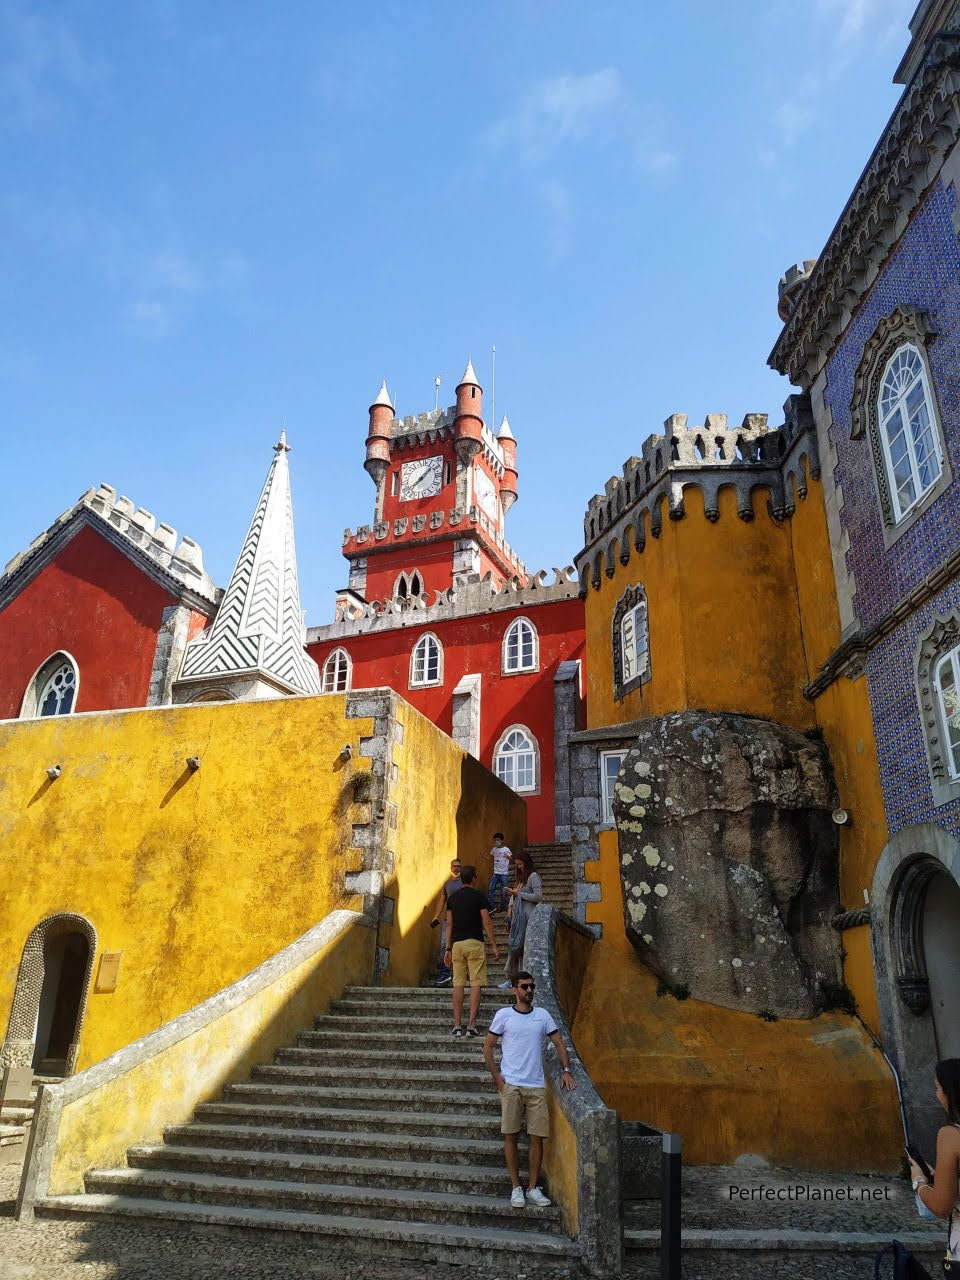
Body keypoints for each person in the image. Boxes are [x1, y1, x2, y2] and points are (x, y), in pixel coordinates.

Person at [482, 970, 576, 1208]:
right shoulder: (504, 1015)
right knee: (510, 1135)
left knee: (537, 1138)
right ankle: (516, 1188)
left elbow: (559, 1043)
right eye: (524, 987)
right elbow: (488, 1047)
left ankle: (533, 1188)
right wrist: (498, 1078)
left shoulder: (542, 1016)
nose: (529, 991)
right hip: (511, 1084)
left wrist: (566, 1070)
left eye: (532, 987)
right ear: (514, 989)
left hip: (535, 1085)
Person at [908, 1058, 960, 1264]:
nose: (937, 1095)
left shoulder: (951, 1136)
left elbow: (941, 1206)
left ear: (951, 1093)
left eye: (938, 1088)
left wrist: (919, 1182)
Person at [444, 865, 499, 1037]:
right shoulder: (479, 896)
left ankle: (457, 1025)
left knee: (458, 984)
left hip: (457, 945)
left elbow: (449, 924)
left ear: (461, 880)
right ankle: (472, 1025)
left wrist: (448, 948)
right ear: (474, 878)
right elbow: (487, 921)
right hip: (475, 942)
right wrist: (494, 945)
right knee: (476, 984)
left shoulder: (452, 898)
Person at [500, 850, 542, 989]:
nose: (519, 866)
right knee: (515, 947)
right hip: (518, 919)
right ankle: (512, 979)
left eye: (520, 864)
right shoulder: (522, 878)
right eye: (517, 864)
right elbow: (517, 896)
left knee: (519, 948)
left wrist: (520, 893)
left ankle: (515, 979)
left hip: (528, 917)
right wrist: (513, 895)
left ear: (526, 862)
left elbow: (537, 897)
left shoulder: (533, 876)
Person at [431, 859, 462, 985]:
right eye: (454, 866)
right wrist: (436, 916)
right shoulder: (447, 884)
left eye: (459, 866)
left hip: (462, 919)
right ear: (450, 867)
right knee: (445, 944)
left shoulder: (464, 882)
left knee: (460, 946)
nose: (456, 868)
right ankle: (445, 973)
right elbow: (442, 900)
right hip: (447, 920)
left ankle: (460, 973)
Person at [482, 832, 513, 914]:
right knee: (491, 888)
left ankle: (502, 907)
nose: (496, 841)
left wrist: (508, 857)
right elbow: (491, 859)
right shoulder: (494, 849)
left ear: (502, 840)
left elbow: (512, 860)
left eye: (498, 840)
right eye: (495, 840)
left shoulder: (506, 849)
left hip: (504, 874)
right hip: (495, 873)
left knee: (503, 891)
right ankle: (491, 906)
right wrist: (484, 857)